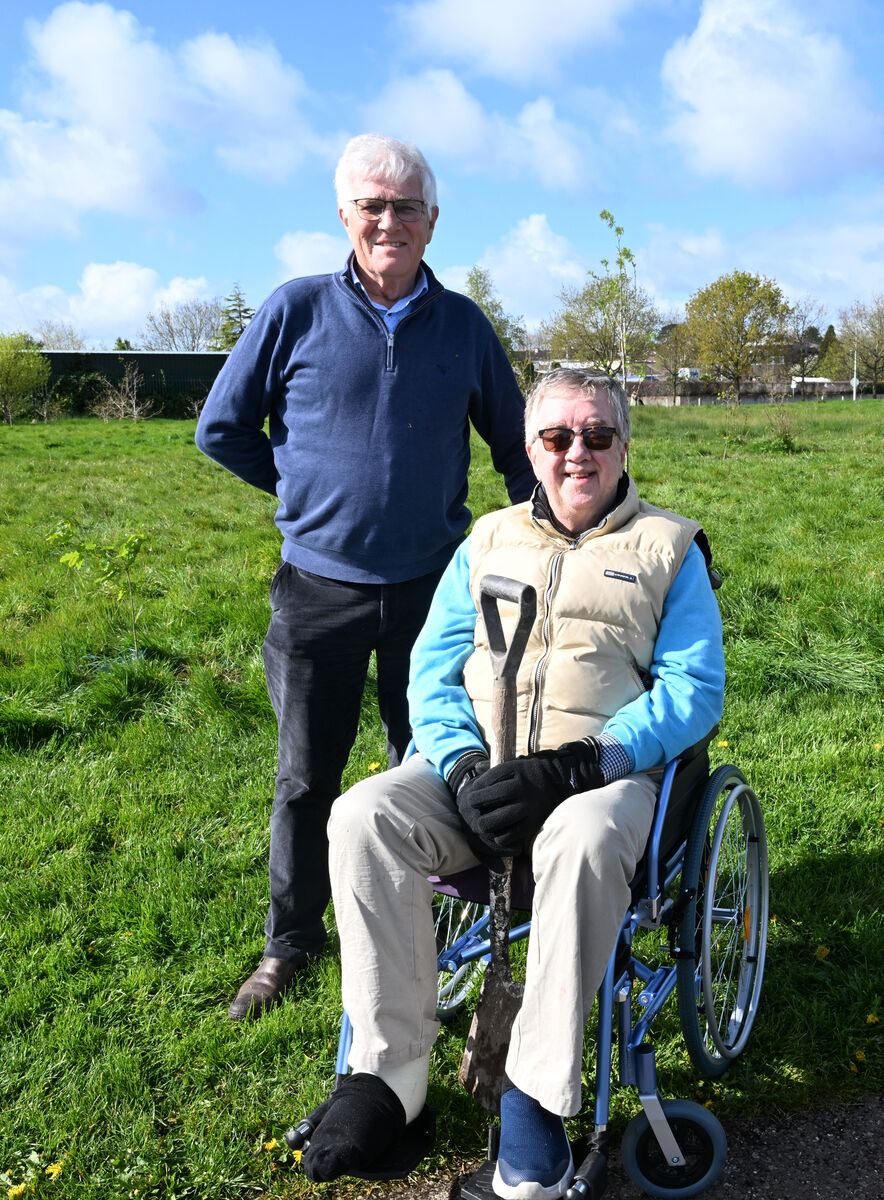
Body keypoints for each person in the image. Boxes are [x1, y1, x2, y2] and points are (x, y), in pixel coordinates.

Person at [304, 368, 725, 1198]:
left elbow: (692, 689)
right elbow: (431, 671)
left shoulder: (671, 547)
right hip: (478, 769)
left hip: (601, 774)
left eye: (598, 435)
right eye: (558, 437)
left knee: (585, 836)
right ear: (530, 449)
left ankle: (535, 1099)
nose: (579, 453)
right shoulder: (487, 541)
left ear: (624, 445)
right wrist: (460, 768)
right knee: (363, 816)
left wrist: (585, 764)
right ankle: (389, 1081)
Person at [195, 134, 534, 1020]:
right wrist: (300, 486)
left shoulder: (463, 326)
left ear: (433, 221)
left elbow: (513, 446)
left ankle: (408, 926)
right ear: (344, 215)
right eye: (372, 206)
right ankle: (290, 944)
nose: (390, 221)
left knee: (420, 765)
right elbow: (221, 428)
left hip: (433, 590)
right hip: (319, 591)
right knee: (306, 777)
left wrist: (562, 533)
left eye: (407, 207)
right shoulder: (296, 309)